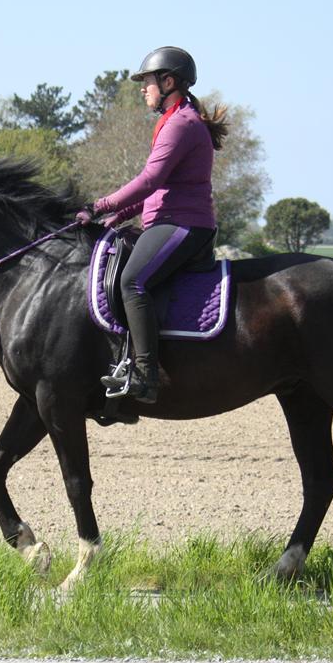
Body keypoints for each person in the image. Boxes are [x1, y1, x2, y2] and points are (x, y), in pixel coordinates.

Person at [77, 46, 229, 404]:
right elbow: (158, 188)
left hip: (183, 225)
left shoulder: (181, 124)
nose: (143, 89)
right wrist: (117, 216)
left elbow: (150, 179)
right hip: (170, 219)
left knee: (132, 281)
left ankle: (145, 374)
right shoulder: (176, 120)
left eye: (147, 82)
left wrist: (99, 206)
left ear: (168, 81)